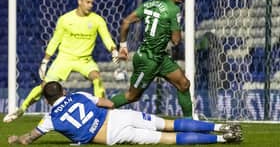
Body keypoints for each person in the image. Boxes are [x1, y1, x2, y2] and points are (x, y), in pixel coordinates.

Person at [3, 0, 120, 123]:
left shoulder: (97, 20)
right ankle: (21, 109)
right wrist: (45, 61)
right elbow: (55, 40)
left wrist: (114, 50)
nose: (90, 5)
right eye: (87, 2)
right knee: (44, 86)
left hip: (85, 60)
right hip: (65, 58)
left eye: (92, 3)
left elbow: (106, 37)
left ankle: (102, 112)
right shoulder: (65, 19)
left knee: (97, 78)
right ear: (79, 2)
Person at [8, 81, 242, 145]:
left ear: (47, 100)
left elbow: (30, 138)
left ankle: (223, 139)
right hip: (118, 116)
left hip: (112, 136)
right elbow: (109, 103)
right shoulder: (79, 95)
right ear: (64, 90)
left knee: (168, 139)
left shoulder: (50, 119)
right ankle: (220, 127)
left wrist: (16, 139)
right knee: (170, 124)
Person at [110, 0, 193, 117]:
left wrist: (123, 46)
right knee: (132, 96)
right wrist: (176, 26)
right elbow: (176, 41)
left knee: (184, 84)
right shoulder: (173, 9)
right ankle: (97, 110)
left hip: (160, 57)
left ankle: (190, 123)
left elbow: (126, 22)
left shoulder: (149, 3)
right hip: (148, 60)